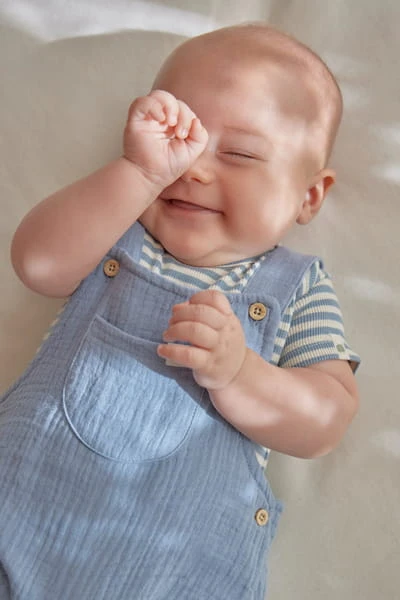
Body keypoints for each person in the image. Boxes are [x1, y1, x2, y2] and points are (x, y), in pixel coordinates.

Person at [0, 22, 360, 600]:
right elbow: (36, 264)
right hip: (18, 520)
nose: (193, 169)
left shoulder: (298, 286)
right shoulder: (116, 225)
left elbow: (327, 418)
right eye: (179, 136)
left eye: (239, 154)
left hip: (179, 573)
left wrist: (241, 374)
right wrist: (140, 173)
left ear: (309, 195)